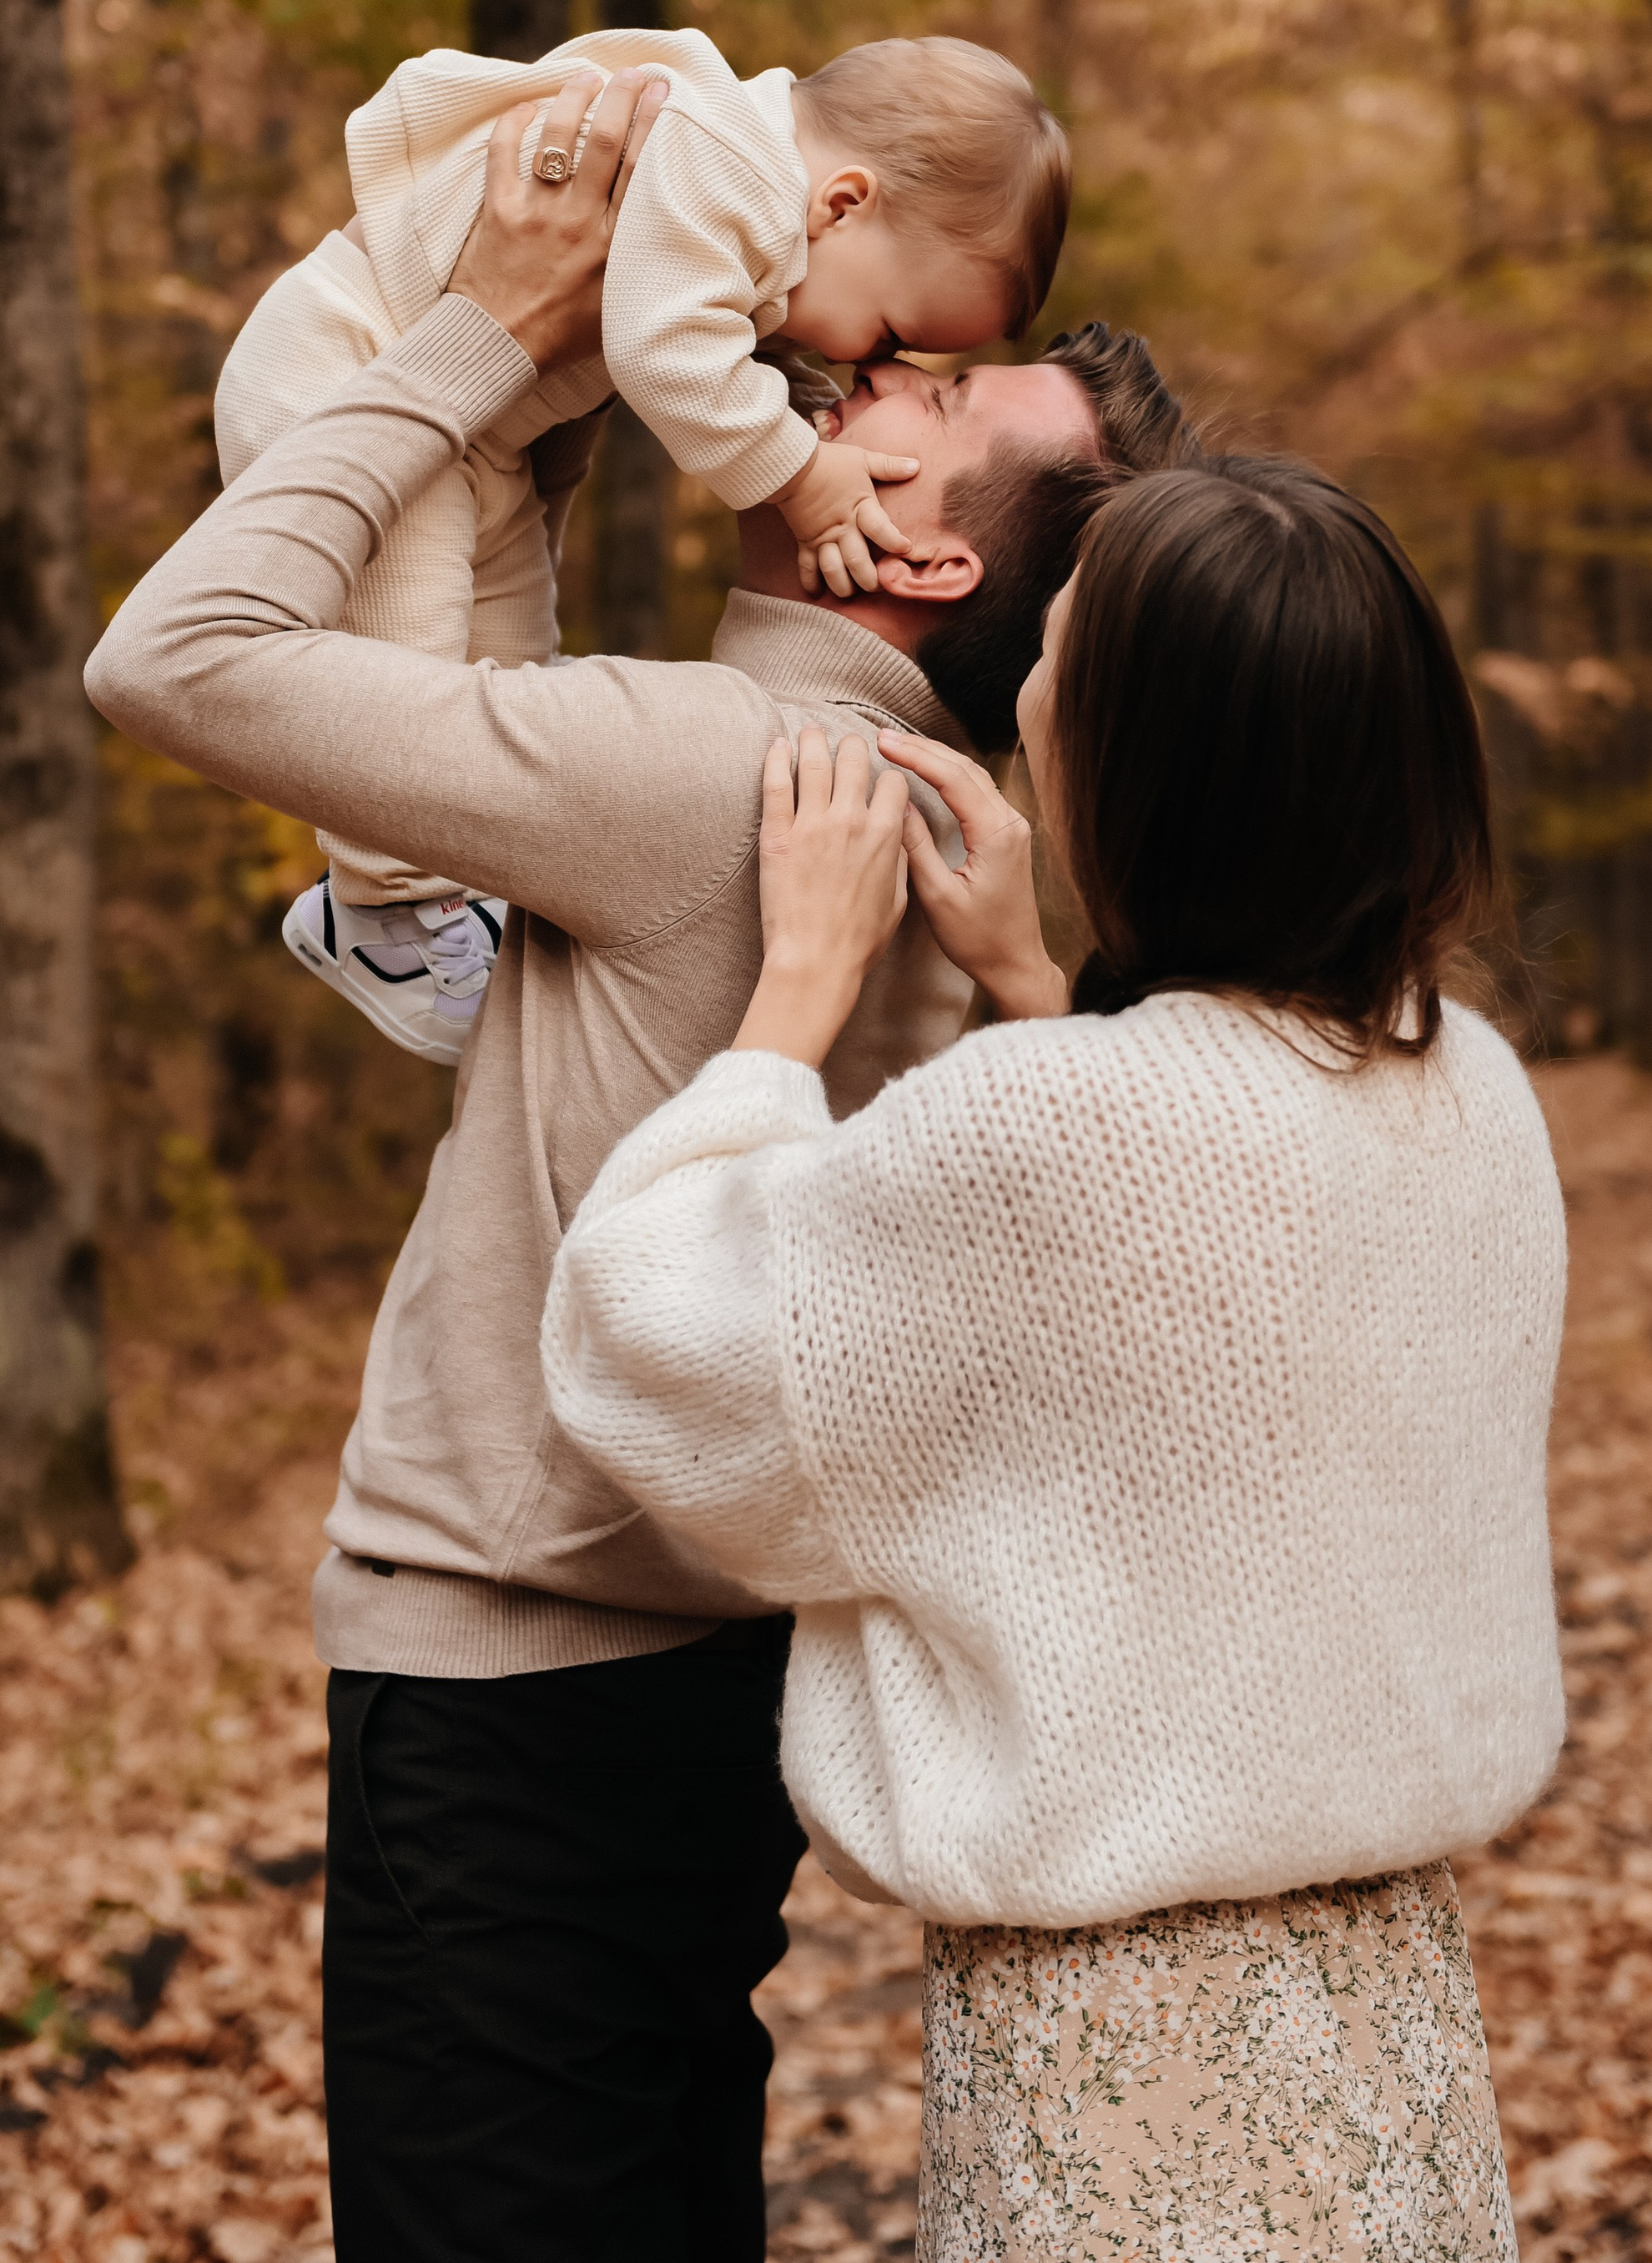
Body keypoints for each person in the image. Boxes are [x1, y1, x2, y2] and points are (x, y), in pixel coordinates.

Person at [83, 65, 1190, 2263]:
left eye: (913, 390)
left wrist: (481, 334)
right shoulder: (925, 807)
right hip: (704, 1679)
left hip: (509, 1693)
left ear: (921, 545)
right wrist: (556, 449)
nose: (848, 360)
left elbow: (175, 653)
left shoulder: (705, 766)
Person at [542, 452, 1570, 2258]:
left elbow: (658, 1342)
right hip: (1395, 2020)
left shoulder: (1044, 1134)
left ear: (1148, 767)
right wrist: (1032, 980)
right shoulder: (1464, 1086)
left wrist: (793, 1000)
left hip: (1123, 2054)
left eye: (1059, 668)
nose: (1019, 692)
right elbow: (1190, 1321)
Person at [213, 23, 1070, 1057]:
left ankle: (438, 892)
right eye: (889, 334)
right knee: (406, 646)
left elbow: (721, 340)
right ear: (842, 203)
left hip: (470, 427)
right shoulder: (724, 170)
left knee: (507, 646)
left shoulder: (756, 205)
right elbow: (665, 351)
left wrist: (796, 411)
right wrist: (801, 476)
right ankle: (384, 912)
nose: (869, 366)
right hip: (352, 364)